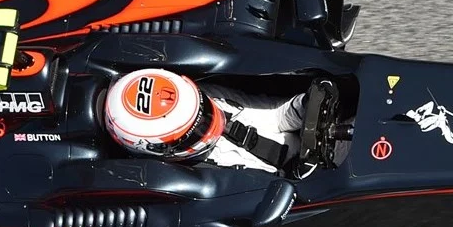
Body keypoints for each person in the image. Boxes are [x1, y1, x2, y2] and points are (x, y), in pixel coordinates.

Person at [102, 68, 305, 173]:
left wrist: (305, 105)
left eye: (204, 111)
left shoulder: (209, 97)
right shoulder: (188, 178)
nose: (209, 126)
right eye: (197, 129)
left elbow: (275, 116)